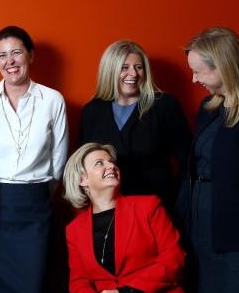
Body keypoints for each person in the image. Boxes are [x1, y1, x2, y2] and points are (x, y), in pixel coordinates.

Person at [0, 25, 68, 293]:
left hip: (35, 204)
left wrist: (37, 192)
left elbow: (59, 159)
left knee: (33, 284)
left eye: (16, 53)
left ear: (30, 55)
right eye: (2, 55)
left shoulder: (52, 100)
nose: (9, 61)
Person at [177, 27, 239, 293]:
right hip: (202, 233)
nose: (194, 79)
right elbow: (194, 170)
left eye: (199, 71)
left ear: (223, 67)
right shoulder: (209, 107)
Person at [80, 40, 191, 213]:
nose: (133, 73)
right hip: (110, 208)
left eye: (139, 67)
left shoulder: (165, 106)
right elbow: (85, 164)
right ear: (110, 70)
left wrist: (182, 202)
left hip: (158, 207)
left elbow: (188, 160)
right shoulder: (92, 111)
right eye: (124, 67)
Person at [64, 142, 185, 293]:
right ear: (82, 180)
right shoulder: (74, 230)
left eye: (112, 162)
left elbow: (174, 258)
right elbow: (78, 281)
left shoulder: (148, 207)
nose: (111, 166)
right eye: (99, 163)